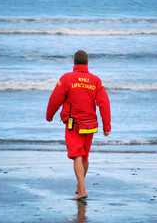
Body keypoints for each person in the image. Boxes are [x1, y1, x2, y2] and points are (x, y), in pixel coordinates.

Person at [46, 50, 111, 200]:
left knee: (77, 156)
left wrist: (49, 115)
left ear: (74, 62)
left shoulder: (67, 78)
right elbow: (104, 103)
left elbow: (55, 98)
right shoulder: (96, 80)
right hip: (91, 125)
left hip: (73, 124)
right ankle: (79, 185)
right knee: (85, 157)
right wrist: (106, 126)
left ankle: (82, 191)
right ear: (87, 63)